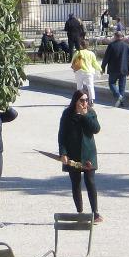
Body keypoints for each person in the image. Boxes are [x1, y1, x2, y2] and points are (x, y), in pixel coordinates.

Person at [57, 89, 102, 222]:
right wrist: (63, 153)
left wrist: (85, 116)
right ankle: (80, 213)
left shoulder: (91, 112)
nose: (85, 103)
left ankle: (95, 213)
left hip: (88, 154)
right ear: (75, 101)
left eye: (86, 100)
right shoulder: (67, 114)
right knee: (76, 184)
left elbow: (96, 129)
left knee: (90, 182)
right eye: (82, 100)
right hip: (73, 154)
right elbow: (62, 135)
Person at [102, 30, 129, 107]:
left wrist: (103, 67)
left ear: (115, 37)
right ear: (122, 37)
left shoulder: (111, 45)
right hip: (124, 69)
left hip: (113, 69)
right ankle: (121, 101)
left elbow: (106, 58)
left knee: (111, 83)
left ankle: (118, 96)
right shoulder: (127, 46)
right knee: (122, 86)